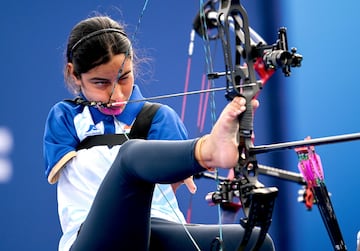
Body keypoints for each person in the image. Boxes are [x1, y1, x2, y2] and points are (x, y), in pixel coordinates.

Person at [43, 15, 275, 251]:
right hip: (94, 239)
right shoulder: (66, 117)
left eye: (124, 78)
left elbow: (165, 190)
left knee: (256, 242)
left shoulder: (159, 117)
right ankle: (207, 151)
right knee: (130, 156)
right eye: (101, 83)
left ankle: (209, 151)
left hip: (157, 233)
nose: (117, 95)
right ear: (74, 74)